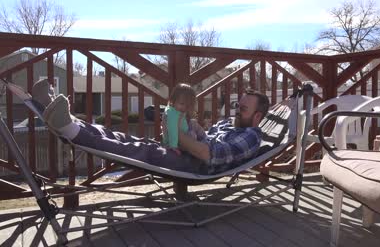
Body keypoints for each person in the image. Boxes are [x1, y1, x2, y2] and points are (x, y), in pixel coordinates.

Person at [33, 79, 270, 175]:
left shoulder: (250, 136)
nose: (237, 110)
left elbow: (206, 153)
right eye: (238, 106)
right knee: (126, 139)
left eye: (244, 109)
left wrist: (174, 128)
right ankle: (69, 120)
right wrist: (185, 131)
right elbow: (201, 138)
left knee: (142, 151)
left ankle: (69, 128)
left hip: (194, 163)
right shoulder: (229, 124)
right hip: (182, 151)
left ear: (258, 117)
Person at [161, 83, 206, 155]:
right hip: (178, 141)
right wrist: (173, 146)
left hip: (184, 132)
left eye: (187, 105)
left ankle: (204, 137)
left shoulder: (175, 109)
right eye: (182, 104)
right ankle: (202, 140)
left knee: (193, 123)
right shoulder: (171, 113)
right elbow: (172, 129)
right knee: (192, 134)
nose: (184, 107)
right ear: (173, 100)